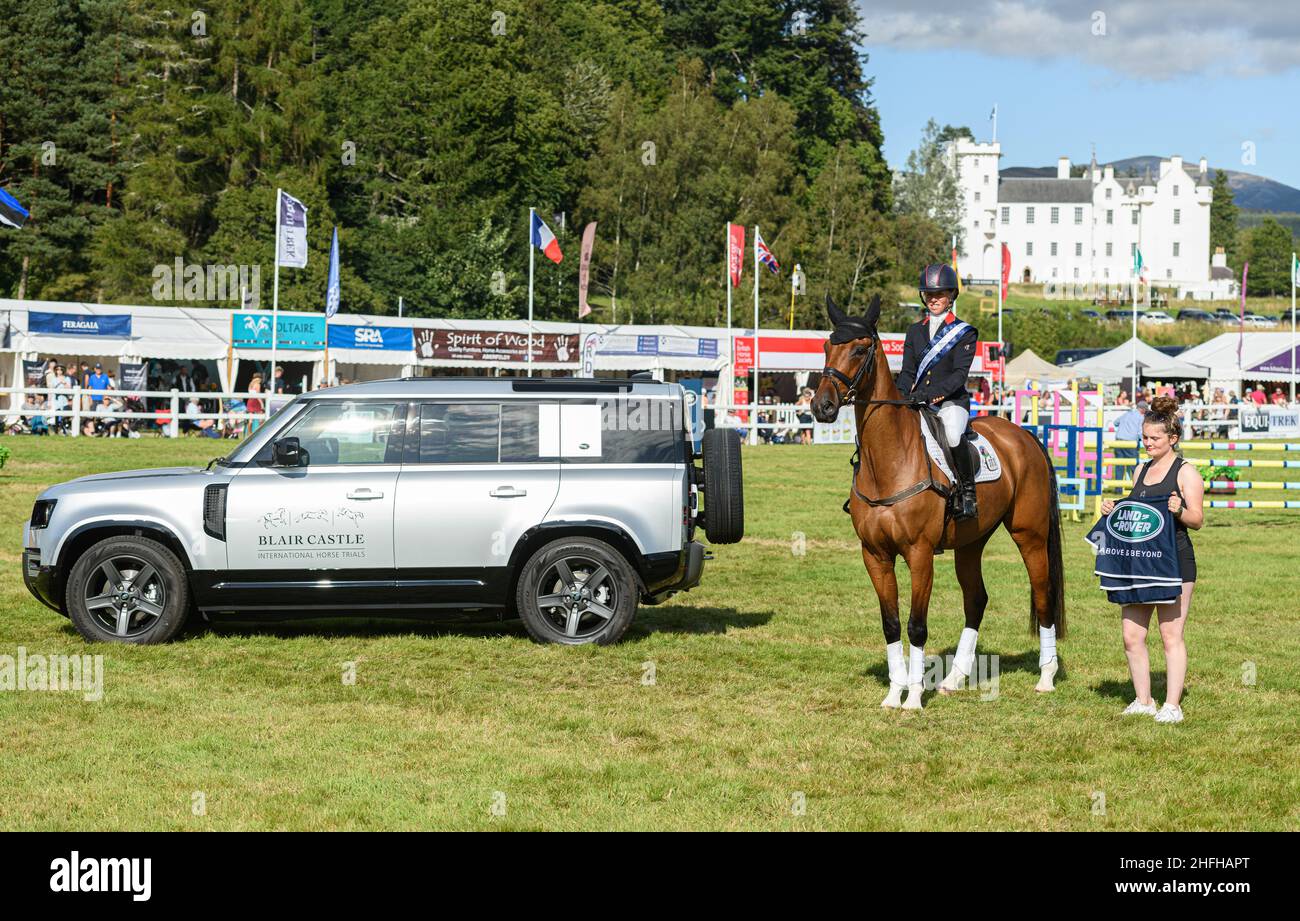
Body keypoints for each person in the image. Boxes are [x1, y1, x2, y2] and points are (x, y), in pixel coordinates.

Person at [1099, 396, 1203, 724]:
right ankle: (1143, 700)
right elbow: (1136, 511)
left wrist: (1180, 510)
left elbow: (1197, 519)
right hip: (1140, 562)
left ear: (1172, 439)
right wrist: (1114, 509)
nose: (1147, 444)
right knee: (1132, 635)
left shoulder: (1186, 472)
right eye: (1144, 438)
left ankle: (1172, 705)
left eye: (1154, 439)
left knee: (1170, 635)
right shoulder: (1139, 468)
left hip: (1175, 563)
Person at [894, 263, 980, 519]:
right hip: (919, 403)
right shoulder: (915, 330)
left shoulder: (964, 333)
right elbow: (908, 372)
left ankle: (967, 494)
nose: (934, 299)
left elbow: (958, 376)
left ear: (951, 295)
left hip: (950, 403)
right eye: (929, 294)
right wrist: (899, 399)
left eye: (940, 294)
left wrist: (929, 396)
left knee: (953, 436)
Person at [1112, 399, 1148, 472]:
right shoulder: (1141, 417)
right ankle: (1137, 482)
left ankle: (1118, 483)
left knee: (1119, 466)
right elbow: (1140, 432)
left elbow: (1115, 422)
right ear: (1143, 409)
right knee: (1134, 466)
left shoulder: (1127, 413)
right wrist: (1145, 443)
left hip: (1118, 440)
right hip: (1130, 442)